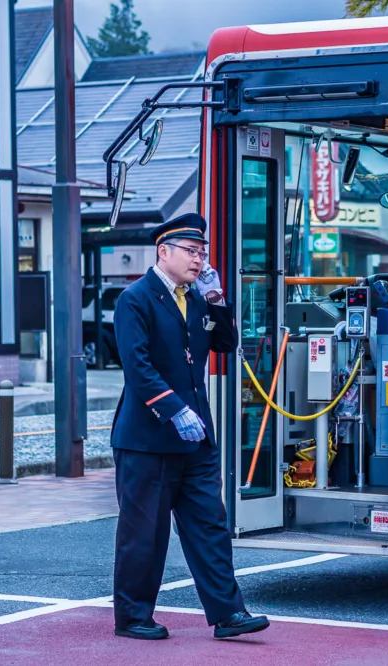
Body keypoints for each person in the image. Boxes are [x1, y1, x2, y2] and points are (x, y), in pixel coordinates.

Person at [110, 213, 270, 641]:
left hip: (197, 438)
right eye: (191, 252)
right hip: (148, 438)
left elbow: (225, 345)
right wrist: (174, 409)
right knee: (145, 532)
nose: (199, 261)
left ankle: (228, 614)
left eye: (202, 253)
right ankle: (132, 617)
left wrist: (217, 300)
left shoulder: (196, 298)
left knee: (209, 525)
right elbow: (138, 367)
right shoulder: (136, 299)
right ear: (164, 252)